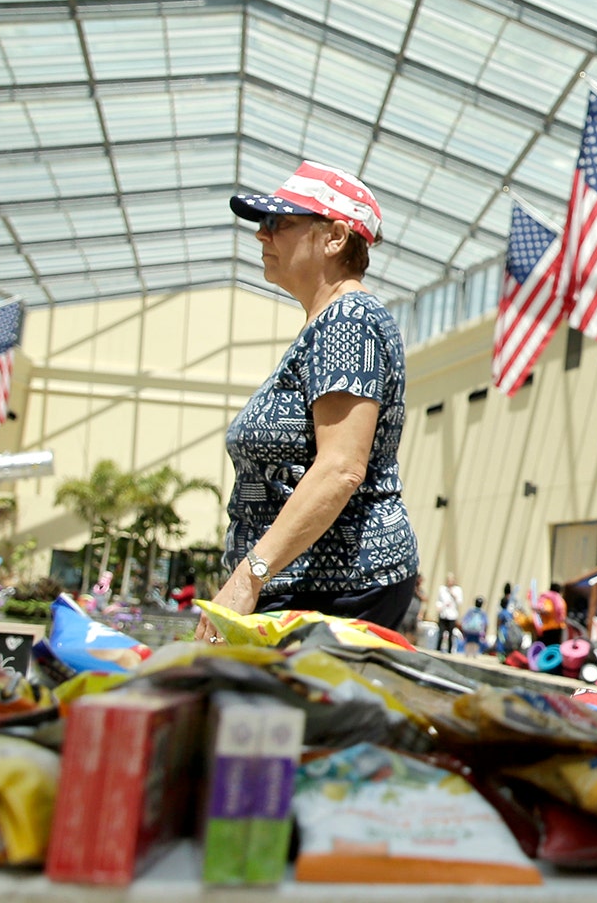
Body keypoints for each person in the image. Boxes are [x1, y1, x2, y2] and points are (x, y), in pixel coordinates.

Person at [196, 162, 418, 640]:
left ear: (335, 238)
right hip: (309, 587)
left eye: (278, 223)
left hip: (334, 590)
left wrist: (249, 575)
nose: (261, 236)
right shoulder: (331, 323)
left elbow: (341, 468)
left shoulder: (348, 319)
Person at [435, 573, 463, 653]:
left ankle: (450, 650)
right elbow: (439, 600)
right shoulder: (442, 589)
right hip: (443, 613)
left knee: (451, 633)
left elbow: (459, 601)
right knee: (441, 632)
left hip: (452, 615)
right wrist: (439, 606)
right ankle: (437, 649)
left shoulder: (457, 590)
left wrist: (452, 594)